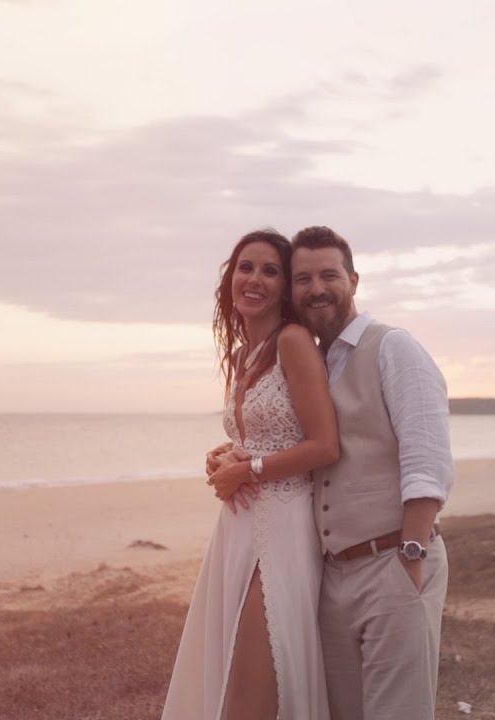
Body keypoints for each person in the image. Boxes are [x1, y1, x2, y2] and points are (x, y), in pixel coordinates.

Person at [161, 229, 338, 720]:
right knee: (228, 677)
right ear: (230, 278)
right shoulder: (243, 355)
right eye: (245, 267)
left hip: (281, 527)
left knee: (255, 688)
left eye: (269, 270)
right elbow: (261, 434)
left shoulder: (294, 342)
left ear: (284, 287)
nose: (254, 279)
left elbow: (324, 444)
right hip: (236, 530)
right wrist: (224, 458)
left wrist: (250, 469)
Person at [290, 225, 453, 720]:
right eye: (302, 279)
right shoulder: (311, 363)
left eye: (328, 275)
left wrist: (411, 554)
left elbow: (427, 457)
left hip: (393, 562)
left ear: (354, 280)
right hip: (333, 576)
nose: (316, 288)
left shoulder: (392, 346)